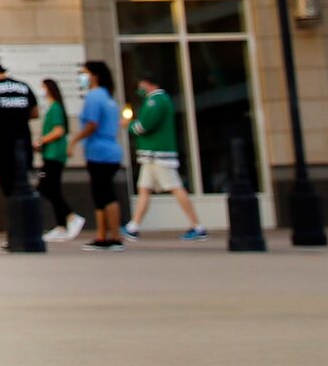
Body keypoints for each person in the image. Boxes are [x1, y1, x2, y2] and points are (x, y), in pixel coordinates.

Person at [127, 74, 209, 241]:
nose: (139, 89)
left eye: (141, 85)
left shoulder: (155, 101)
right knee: (144, 189)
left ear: (147, 83)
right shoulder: (161, 100)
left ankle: (197, 226)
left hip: (158, 154)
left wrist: (129, 125)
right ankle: (133, 226)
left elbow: (145, 125)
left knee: (175, 187)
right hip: (152, 155)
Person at [0, 60, 40, 242]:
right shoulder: (23, 86)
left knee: (8, 189)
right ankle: (29, 232)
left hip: (1, 144)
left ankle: (15, 234)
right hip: (23, 143)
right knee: (25, 187)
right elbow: (35, 113)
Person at [69, 61, 127, 251]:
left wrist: (74, 140)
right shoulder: (108, 97)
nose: (82, 77)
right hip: (110, 149)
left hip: (99, 151)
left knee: (105, 194)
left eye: (85, 73)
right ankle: (102, 236)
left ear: (95, 76)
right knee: (101, 194)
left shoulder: (94, 97)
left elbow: (92, 124)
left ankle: (114, 237)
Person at [36, 77, 84, 242]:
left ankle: (71, 217)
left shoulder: (55, 107)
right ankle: (61, 226)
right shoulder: (52, 107)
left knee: (47, 187)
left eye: (42, 87)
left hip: (54, 154)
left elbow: (58, 131)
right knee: (52, 188)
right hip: (51, 153)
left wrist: (42, 141)